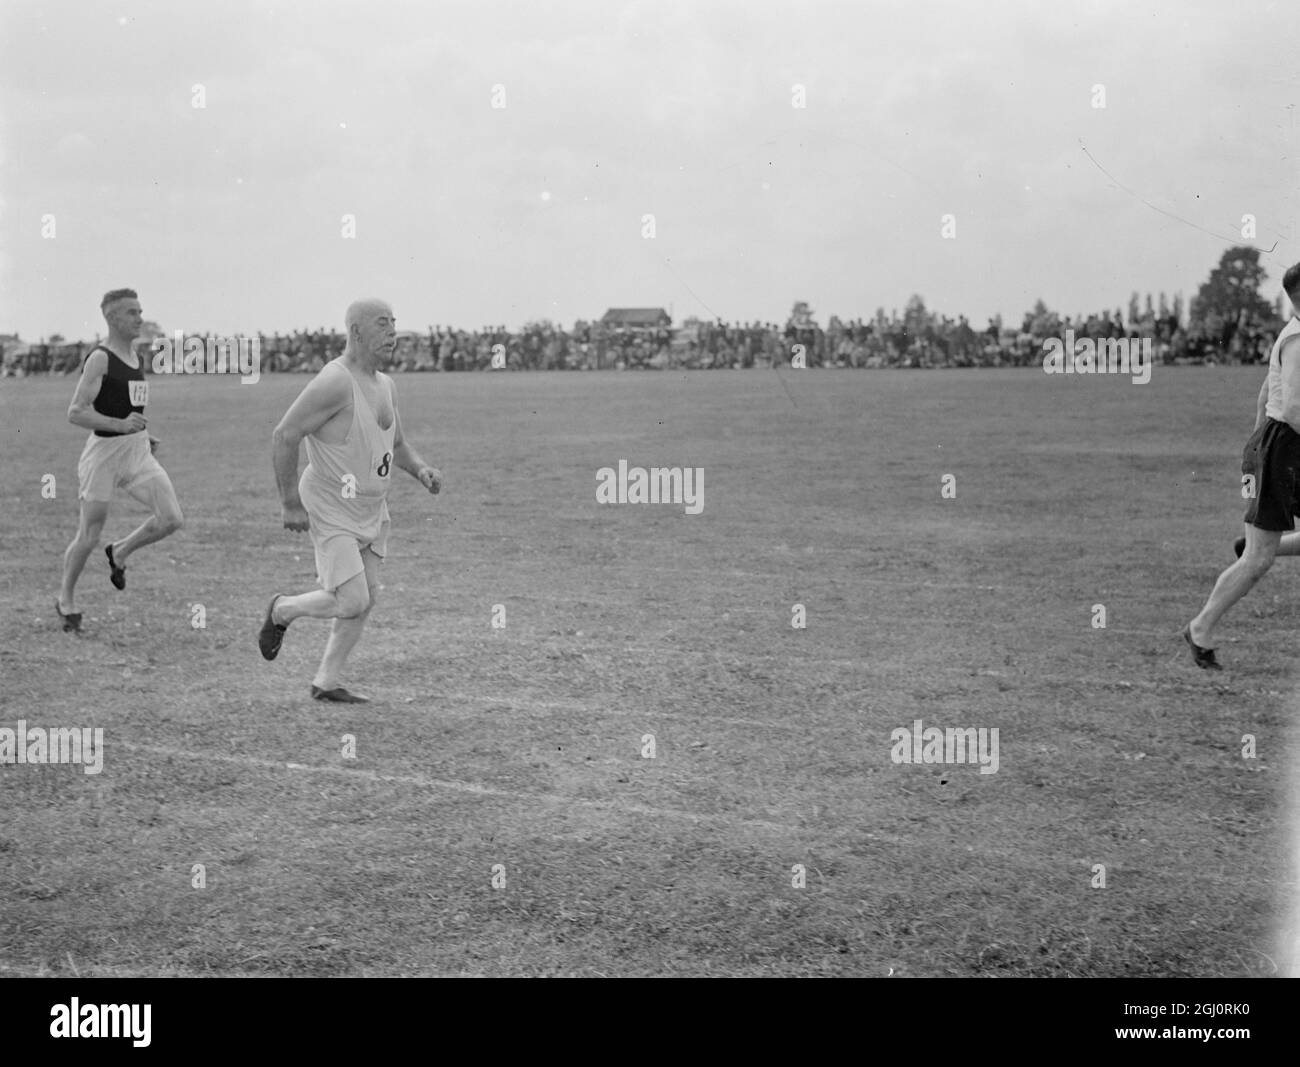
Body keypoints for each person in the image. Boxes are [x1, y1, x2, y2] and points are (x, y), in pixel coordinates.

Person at [259, 298, 442, 701]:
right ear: (356, 331)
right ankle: (282, 610)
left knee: (367, 598)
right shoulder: (335, 381)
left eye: (394, 322)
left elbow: (398, 443)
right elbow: (284, 435)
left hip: (372, 507)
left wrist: (421, 470)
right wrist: (290, 503)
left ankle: (326, 682)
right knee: (352, 598)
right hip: (331, 503)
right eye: (382, 324)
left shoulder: (387, 385)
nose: (392, 331)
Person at [1185, 263, 1300, 669]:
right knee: (1257, 561)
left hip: (1277, 446)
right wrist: (1262, 455)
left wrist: (1255, 446)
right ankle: (1200, 628)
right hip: (1286, 447)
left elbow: (1265, 393)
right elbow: (1292, 409)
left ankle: (1257, 545)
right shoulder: (1298, 339)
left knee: (1259, 551)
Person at [56, 289, 183, 633]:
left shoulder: (135, 355)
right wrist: (120, 426)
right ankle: (65, 600)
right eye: (132, 312)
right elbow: (76, 412)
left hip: (136, 450)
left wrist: (140, 432)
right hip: (104, 456)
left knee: (172, 518)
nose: (140, 318)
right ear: (112, 319)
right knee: (88, 535)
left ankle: (121, 553)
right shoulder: (100, 358)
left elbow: (129, 406)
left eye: (140, 311)